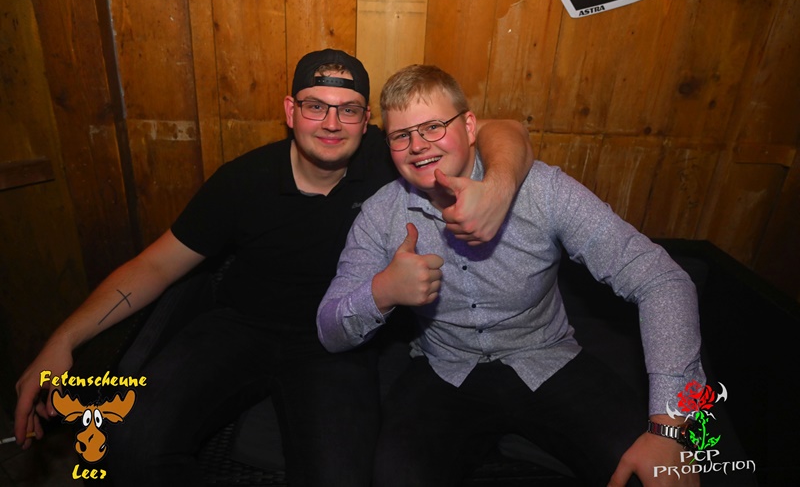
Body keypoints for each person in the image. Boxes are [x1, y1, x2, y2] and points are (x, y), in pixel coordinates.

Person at [13, 50, 533, 486]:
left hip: (337, 343)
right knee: (126, 445)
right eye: (315, 106)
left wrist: (498, 189)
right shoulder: (243, 180)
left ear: (366, 120)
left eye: (348, 110)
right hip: (238, 327)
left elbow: (505, 129)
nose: (332, 123)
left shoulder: (392, 157)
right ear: (290, 110)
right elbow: (155, 265)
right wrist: (64, 339)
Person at [317, 64, 705, 486]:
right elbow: (329, 330)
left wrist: (669, 427)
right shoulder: (381, 215)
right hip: (444, 368)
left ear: (470, 127)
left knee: (650, 472)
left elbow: (662, 279)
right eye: (401, 135)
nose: (418, 146)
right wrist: (382, 291)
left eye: (432, 127)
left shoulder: (542, 190)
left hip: (547, 358)